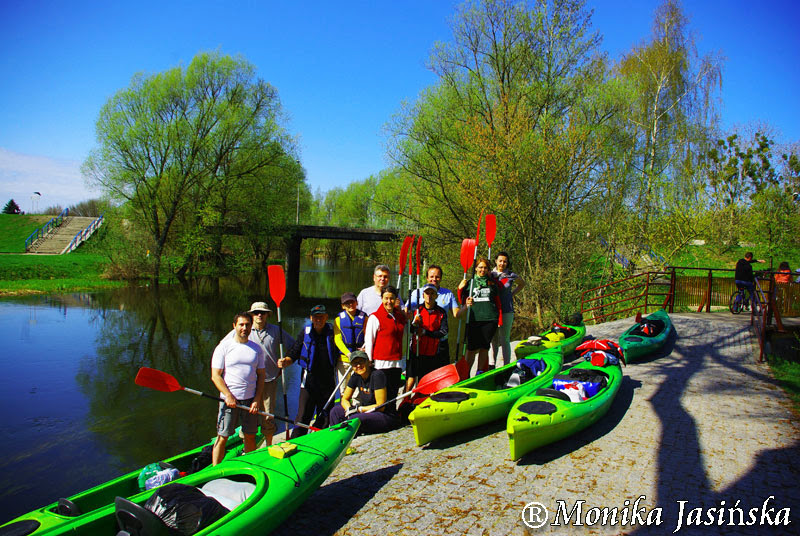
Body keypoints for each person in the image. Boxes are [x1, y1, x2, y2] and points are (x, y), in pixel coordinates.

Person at [224, 301, 294, 447]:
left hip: (269, 381)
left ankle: (268, 446)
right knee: (248, 416)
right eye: (256, 313)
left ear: (268, 315)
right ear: (252, 315)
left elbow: (294, 346)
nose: (259, 315)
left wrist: (287, 360)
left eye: (263, 312)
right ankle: (246, 447)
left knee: (268, 416)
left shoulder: (276, 331)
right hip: (248, 383)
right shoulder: (243, 330)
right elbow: (224, 347)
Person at [210, 312, 265, 465]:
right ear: (234, 326)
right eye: (241, 325)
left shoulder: (257, 349)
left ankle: (249, 466)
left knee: (250, 436)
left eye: (247, 325)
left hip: (250, 401)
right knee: (223, 436)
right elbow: (215, 376)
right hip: (228, 401)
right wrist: (228, 395)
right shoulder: (223, 347)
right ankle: (215, 470)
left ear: (251, 326)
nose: (244, 328)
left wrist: (257, 399)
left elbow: (261, 376)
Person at [277, 305, 338, 438]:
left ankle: (320, 440)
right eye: (316, 317)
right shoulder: (305, 333)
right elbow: (295, 351)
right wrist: (286, 361)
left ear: (326, 317)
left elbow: (342, 349)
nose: (318, 320)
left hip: (328, 381)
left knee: (325, 415)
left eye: (321, 317)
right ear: (311, 318)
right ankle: (295, 441)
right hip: (308, 381)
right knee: (303, 415)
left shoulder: (333, 332)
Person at [328, 350, 400, 435]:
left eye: (361, 362)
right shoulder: (356, 375)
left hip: (384, 415)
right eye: (355, 363)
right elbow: (345, 399)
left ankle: (348, 437)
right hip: (366, 411)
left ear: (368, 362)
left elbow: (381, 406)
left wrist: (359, 409)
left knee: (355, 418)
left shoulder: (377, 375)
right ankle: (334, 436)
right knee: (335, 411)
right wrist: (349, 409)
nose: (358, 365)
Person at [458, 257, 502, 376]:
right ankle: (466, 373)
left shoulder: (492, 283)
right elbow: (461, 300)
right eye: (480, 267)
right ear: (476, 268)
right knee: (471, 348)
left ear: (488, 269)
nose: (483, 270)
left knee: (484, 347)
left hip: (490, 319)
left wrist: (500, 319)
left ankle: (480, 372)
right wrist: (460, 289)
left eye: (485, 268)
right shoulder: (470, 283)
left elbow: (498, 302)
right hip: (474, 319)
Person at [364, 285, 407, 403]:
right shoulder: (375, 317)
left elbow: (404, 339)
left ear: (396, 299)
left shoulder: (400, 317)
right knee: (380, 399)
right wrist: (369, 361)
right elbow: (369, 341)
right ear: (382, 299)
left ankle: (392, 414)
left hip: (397, 364)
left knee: (393, 397)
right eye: (386, 298)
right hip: (381, 364)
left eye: (392, 298)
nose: (389, 301)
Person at [407, 283, 449, 390]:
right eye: (427, 293)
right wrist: (415, 323)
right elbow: (410, 330)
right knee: (411, 380)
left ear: (436, 296)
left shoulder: (441, 312)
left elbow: (443, 332)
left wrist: (426, 332)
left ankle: (422, 398)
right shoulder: (417, 311)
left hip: (432, 353)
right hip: (416, 351)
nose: (429, 296)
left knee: (426, 382)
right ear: (423, 295)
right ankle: (405, 398)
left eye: (432, 293)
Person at [490, 251, 526, 368]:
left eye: (505, 261)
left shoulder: (511, 275)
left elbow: (522, 284)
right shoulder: (490, 275)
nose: (502, 263)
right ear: (496, 261)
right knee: (493, 339)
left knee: (504, 339)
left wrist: (512, 294)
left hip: (506, 310)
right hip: (493, 310)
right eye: (500, 261)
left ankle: (506, 365)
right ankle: (492, 365)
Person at [334, 291, 367, 392]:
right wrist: (348, 353)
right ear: (343, 306)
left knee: (358, 389)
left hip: (359, 359)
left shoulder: (365, 318)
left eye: (352, 302)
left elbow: (368, 337)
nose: (350, 305)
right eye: (347, 303)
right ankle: (344, 401)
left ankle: (357, 401)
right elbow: (337, 339)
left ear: (357, 303)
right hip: (344, 360)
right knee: (344, 389)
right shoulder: (338, 320)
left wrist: (365, 349)